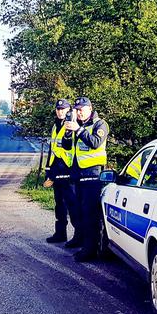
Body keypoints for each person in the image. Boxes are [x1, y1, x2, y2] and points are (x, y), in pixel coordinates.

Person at [64, 97, 109, 262]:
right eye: (76, 109)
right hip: (77, 175)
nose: (79, 113)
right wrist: (69, 132)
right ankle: (82, 242)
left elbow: (96, 143)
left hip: (92, 176)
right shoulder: (78, 124)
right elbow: (67, 146)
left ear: (90, 108)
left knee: (90, 214)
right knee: (78, 212)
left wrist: (79, 130)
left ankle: (90, 250)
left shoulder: (99, 124)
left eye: (81, 109)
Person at [43, 99, 79, 244]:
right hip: (56, 169)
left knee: (72, 204)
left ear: (69, 110)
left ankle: (78, 236)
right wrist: (48, 171)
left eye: (63, 109)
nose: (60, 111)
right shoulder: (55, 126)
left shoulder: (71, 125)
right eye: (58, 109)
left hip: (68, 170)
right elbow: (52, 150)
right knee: (59, 204)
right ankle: (60, 233)